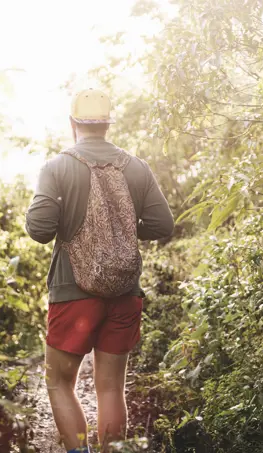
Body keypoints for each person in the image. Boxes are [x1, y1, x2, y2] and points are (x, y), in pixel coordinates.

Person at [25, 88, 174, 452]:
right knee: (110, 388)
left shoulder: (57, 167)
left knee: (59, 383)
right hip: (124, 293)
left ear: (73, 122)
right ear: (108, 124)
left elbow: (40, 230)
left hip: (73, 293)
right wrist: (120, 227)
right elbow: (162, 225)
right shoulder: (136, 167)